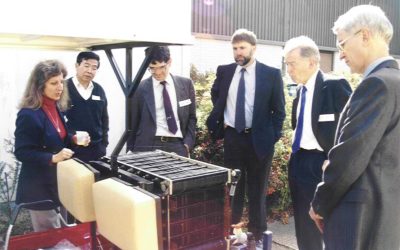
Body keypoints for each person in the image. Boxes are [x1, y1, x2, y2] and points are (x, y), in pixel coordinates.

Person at [309, 5, 400, 249]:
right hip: (386, 219)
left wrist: (319, 203)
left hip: (359, 223)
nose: (340, 54)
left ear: (365, 35)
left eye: (341, 44)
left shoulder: (376, 85)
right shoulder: (394, 82)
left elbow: (349, 157)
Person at [206, 28, 286, 242]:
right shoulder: (225, 71)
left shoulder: (270, 74)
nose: (238, 52)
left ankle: (257, 237)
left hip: (259, 140)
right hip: (233, 137)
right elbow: (217, 96)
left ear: (254, 48)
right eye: (235, 48)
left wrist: (271, 136)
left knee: (257, 191)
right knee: (233, 190)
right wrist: (224, 118)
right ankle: (230, 234)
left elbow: (279, 111)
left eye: (242, 48)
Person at [283, 36, 352, 250]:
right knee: (303, 222)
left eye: (292, 63)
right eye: (286, 64)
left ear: (312, 62)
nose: (289, 70)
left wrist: (334, 161)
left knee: (324, 222)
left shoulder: (334, 87)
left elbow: (350, 129)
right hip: (298, 161)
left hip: (321, 163)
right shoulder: (300, 91)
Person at [14, 60, 89, 232]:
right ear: (40, 86)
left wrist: (73, 138)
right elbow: (22, 152)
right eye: (54, 83)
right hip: (38, 188)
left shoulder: (55, 107)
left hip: (57, 184)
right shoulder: (28, 114)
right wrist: (52, 158)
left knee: (62, 235)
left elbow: (55, 137)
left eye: (61, 82)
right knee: (50, 239)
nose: (60, 87)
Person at [126, 46, 196, 157]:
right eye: (152, 68)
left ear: (170, 62)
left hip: (178, 145)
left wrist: (187, 144)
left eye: (162, 67)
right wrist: (130, 150)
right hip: (147, 146)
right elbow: (132, 122)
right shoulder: (139, 88)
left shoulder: (186, 84)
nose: (157, 72)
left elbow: (192, 117)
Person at [65, 51, 109, 162]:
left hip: (96, 150)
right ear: (76, 66)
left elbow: (104, 118)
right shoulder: (64, 88)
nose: (89, 71)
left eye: (94, 68)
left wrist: (104, 144)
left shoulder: (99, 89)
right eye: (86, 66)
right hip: (71, 149)